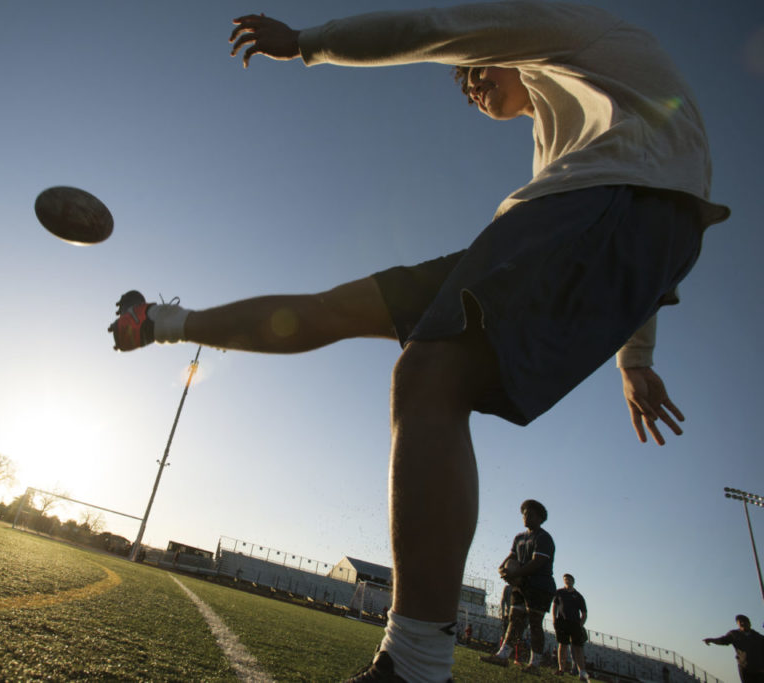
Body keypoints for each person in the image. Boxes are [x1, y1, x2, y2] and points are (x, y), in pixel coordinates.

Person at [107, 4, 729, 681]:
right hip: (566, 222)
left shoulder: (566, 33)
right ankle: (162, 323)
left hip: (598, 212)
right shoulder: (573, 134)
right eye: (462, 83)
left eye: (473, 70)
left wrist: (306, 43)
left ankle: (416, 662)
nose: (468, 85)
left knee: (430, 373)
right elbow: (636, 233)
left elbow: (433, 27)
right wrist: (636, 359)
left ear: (502, 50)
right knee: (337, 311)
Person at [482, 500, 556, 670]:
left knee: (535, 623)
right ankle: (502, 655)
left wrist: (515, 574)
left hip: (540, 586)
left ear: (540, 518)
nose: (525, 516)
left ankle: (535, 664)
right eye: (524, 513)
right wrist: (502, 569)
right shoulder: (519, 537)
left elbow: (537, 562)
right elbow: (511, 558)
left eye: (529, 514)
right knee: (515, 620)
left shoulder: (544, 538)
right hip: (522, 585)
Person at [704, 615, 764, 683]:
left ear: (749, 623)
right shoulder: (734, 634)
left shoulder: (758, 637)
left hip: (759, 669)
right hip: (745, 668)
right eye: (740, 622)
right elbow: (723, 640)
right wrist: (711, 640)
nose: (743, 623)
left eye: (744, 622)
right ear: (738, 624)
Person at [551, 573, 589, 680]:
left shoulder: (579, 596)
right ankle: (561, 669)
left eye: (569, 579)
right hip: (562, 622)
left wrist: (580, 625)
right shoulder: (559, 592)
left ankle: (582, 672)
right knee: (562, 646)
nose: (567, 581)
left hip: (575, 624)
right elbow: (554, 606)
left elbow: (584, 614)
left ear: (573, 581)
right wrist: (554, 619)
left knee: (578, 648)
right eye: (565, 579)